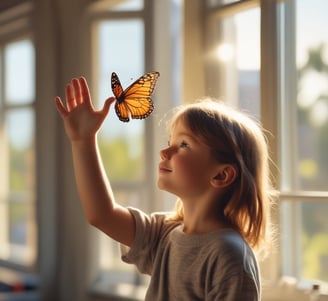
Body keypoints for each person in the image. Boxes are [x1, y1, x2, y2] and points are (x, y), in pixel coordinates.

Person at [55, 76, 276, 301]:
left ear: (221, 175)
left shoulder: (229, 256)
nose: (165, 152)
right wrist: (83, 141)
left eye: (183, 144)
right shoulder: (164, 233)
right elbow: (101, 215)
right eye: (170, 141)